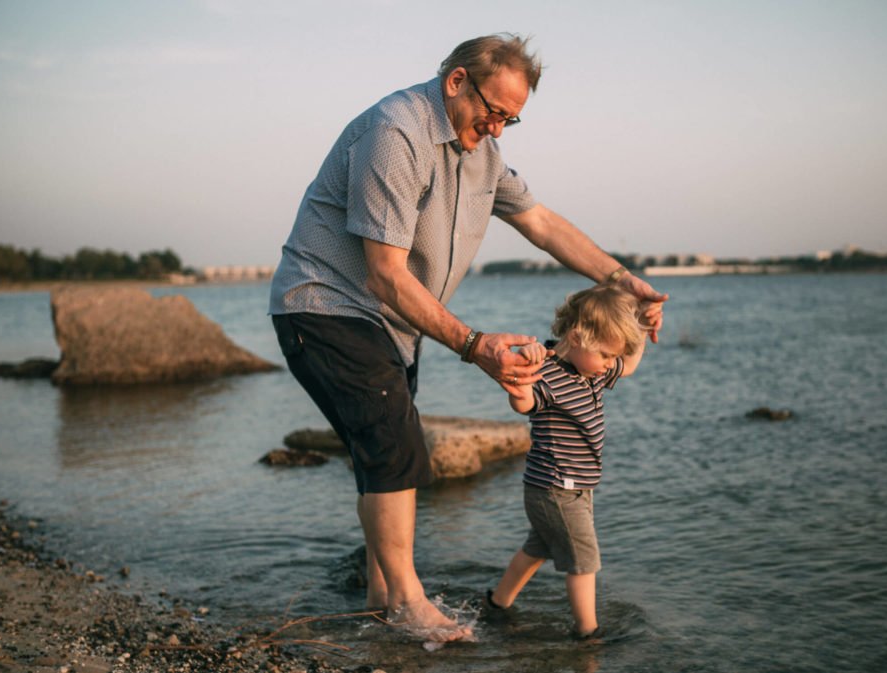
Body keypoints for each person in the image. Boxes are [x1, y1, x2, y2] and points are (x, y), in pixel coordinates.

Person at [268, 33, 667, 641]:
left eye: (513, 118)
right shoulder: (396, 133)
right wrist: (475, 344)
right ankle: (407, 602)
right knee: (395, 444)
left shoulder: (482, 154)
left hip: (393, 326)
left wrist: (622, 281)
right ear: (457, 81)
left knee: (382, 453)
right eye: (494, 110)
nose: (500, 128)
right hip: (326, 304)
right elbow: (384, 273)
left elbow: (540, 222)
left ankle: (381, 595)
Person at [486, 284, 649, 638]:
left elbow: (630, 364)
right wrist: (523, 374)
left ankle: (497, 605)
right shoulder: (546, 371)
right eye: (606, 355)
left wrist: (646, 326)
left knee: (538, 547)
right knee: (584, 561)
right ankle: (587, 633)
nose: (610, 365)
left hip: (570, 488)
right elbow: (525, 404)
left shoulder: (590, 370)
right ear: (576, 337)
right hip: (556, 488)